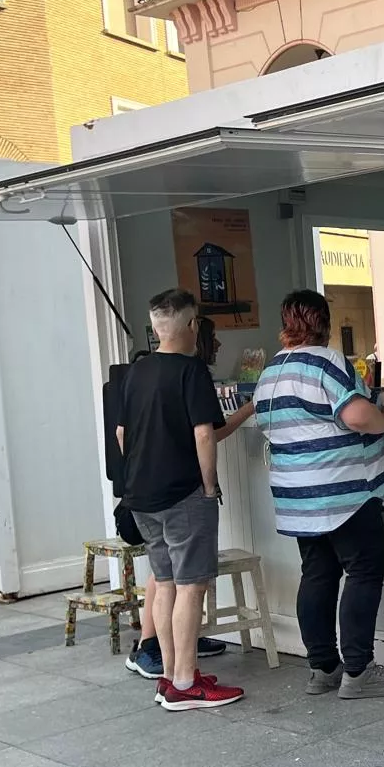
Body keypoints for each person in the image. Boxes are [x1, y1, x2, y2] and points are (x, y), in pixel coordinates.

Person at [253, 290, 384, 701]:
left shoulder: (272, 369)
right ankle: (359, 671)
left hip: (297, 499)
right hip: (342, 492)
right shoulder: (326, 361)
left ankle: (323, 668)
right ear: (323, 322)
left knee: (318, 574)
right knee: (364, 570)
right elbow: (358, 416)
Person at [117, 289, 244, 711]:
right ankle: (187, 683)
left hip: (141, 496)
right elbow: (204, 433)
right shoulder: (191, 372)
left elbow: (122, 435)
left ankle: (171, 676)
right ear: (191, 326)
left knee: (167, 584)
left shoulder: (135, 372)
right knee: (192, 587)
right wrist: (208, 487)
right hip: (182, 494)